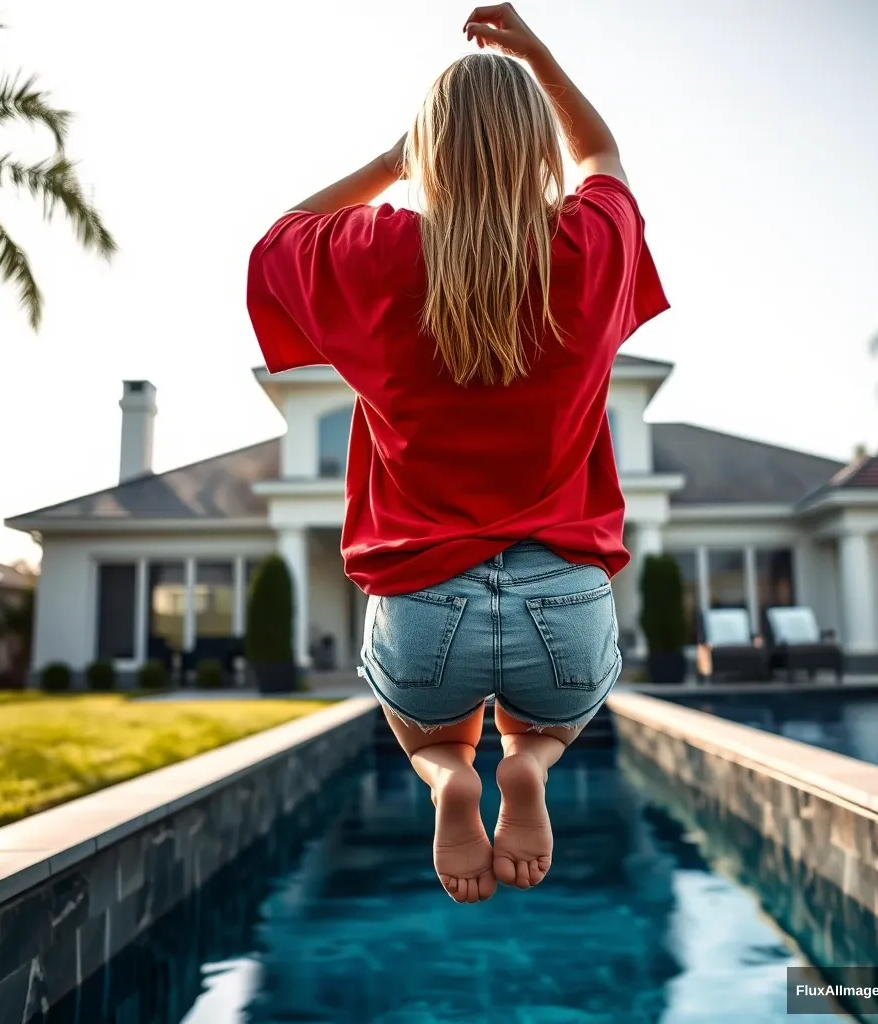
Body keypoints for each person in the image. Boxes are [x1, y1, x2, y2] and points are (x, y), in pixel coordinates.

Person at [247, 3, 668, 903]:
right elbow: (604, 159)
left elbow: (282, 236)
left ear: (427, 152)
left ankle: (451, 781)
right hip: (566, 596)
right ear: (535, 150)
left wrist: (401, 159)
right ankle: (533, 769)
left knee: (429, 734)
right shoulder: (588, 245)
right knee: (547, 722)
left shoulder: (375, 250)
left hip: (423, 604)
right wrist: (540, 58)